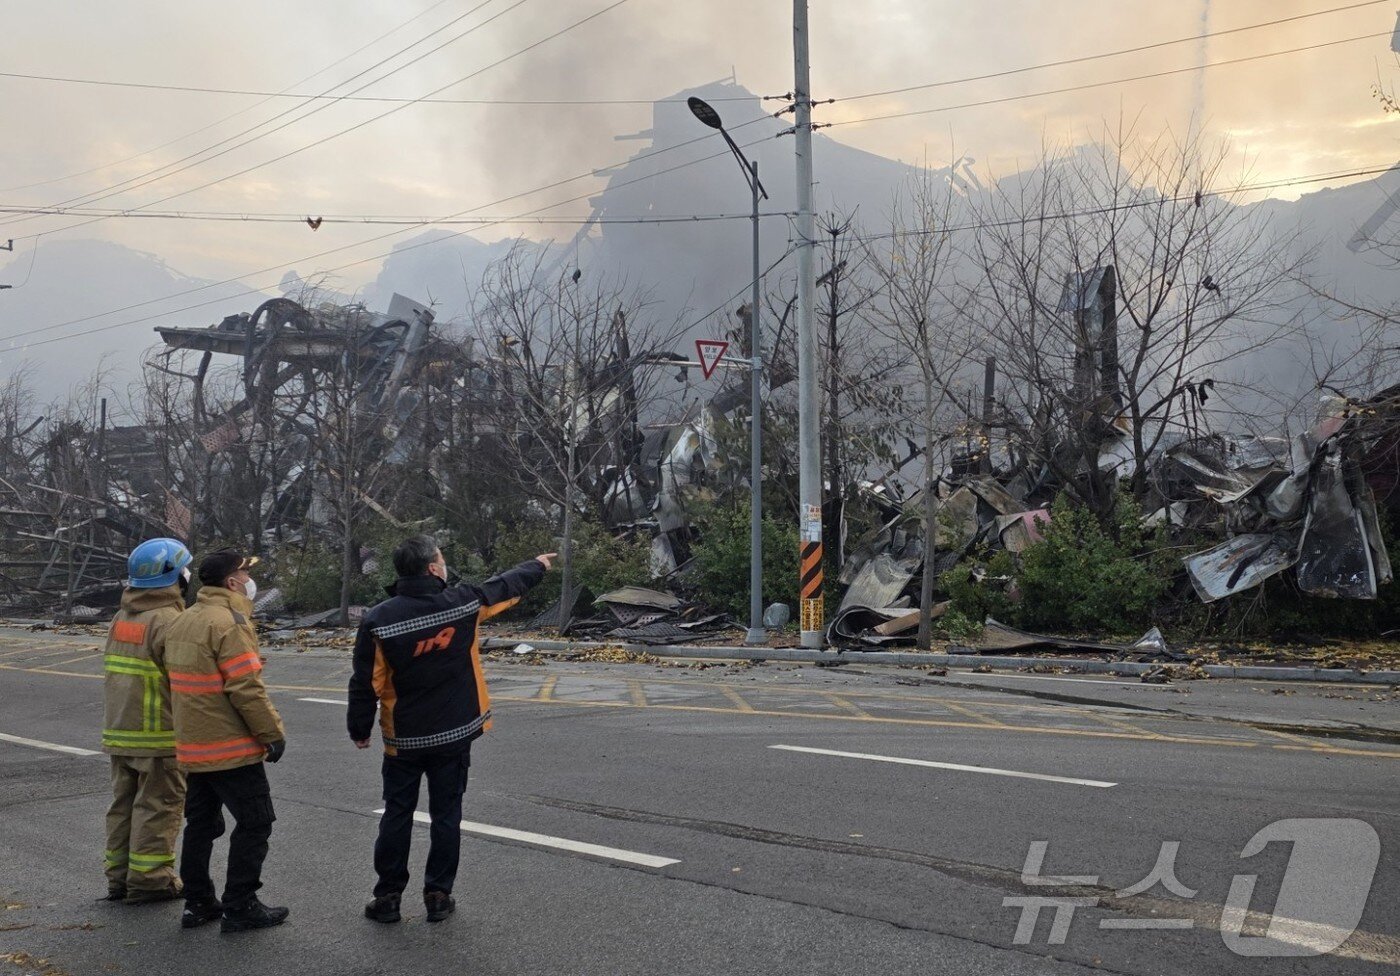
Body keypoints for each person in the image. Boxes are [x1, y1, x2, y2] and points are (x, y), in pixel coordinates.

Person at [349, 536, 554, 924]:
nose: (445, 564)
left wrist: (359, 728)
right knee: (447, 814)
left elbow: (365, 682)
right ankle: (438, 895)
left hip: (404, 739)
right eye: (441, 559)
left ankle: (388, 897)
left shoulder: (379, 619)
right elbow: (503, 587)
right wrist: (538, 565)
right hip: (454, 735)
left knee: (397, 813)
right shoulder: (461, 604)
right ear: (432, 569)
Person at [162, 548, 289, 934]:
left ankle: (198, 903)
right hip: (230, 748)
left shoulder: (184, 620)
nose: (251, 580)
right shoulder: (229, 623)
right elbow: (246, 687)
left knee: (200, 824)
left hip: (194, 746)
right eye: (246, 573)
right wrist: (272, 733)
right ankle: (241, 905)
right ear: (233, 582)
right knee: (256, 822)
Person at [100, 537, 193, 904]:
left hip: (120, 731)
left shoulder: (122, 617)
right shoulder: (170, 621)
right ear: (175, 577)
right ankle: (151, 880)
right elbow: (184, 681)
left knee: (123, 807)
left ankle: (119, 878)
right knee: (158, 807)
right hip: (158, 735)